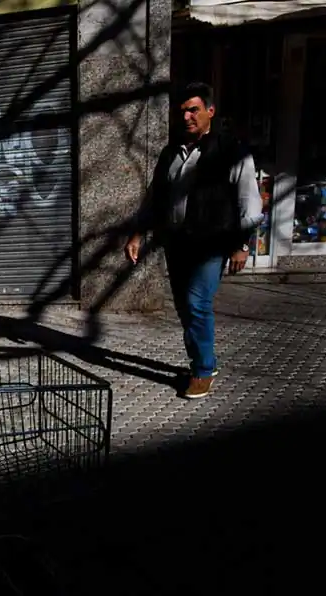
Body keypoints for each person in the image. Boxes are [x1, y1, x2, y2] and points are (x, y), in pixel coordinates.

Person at [125, 82, 263, 400]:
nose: (187, 116)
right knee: (184, 307)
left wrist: (242, 245)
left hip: (211, 244)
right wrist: (137, 233)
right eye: (182, 111)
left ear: (210, 111)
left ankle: (202, 370)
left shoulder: (231, 151)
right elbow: (155, 197)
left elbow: (249, 200)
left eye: (194, 110)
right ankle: (204, 361)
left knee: (197, 303)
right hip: (177, 243)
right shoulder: (171, 152)